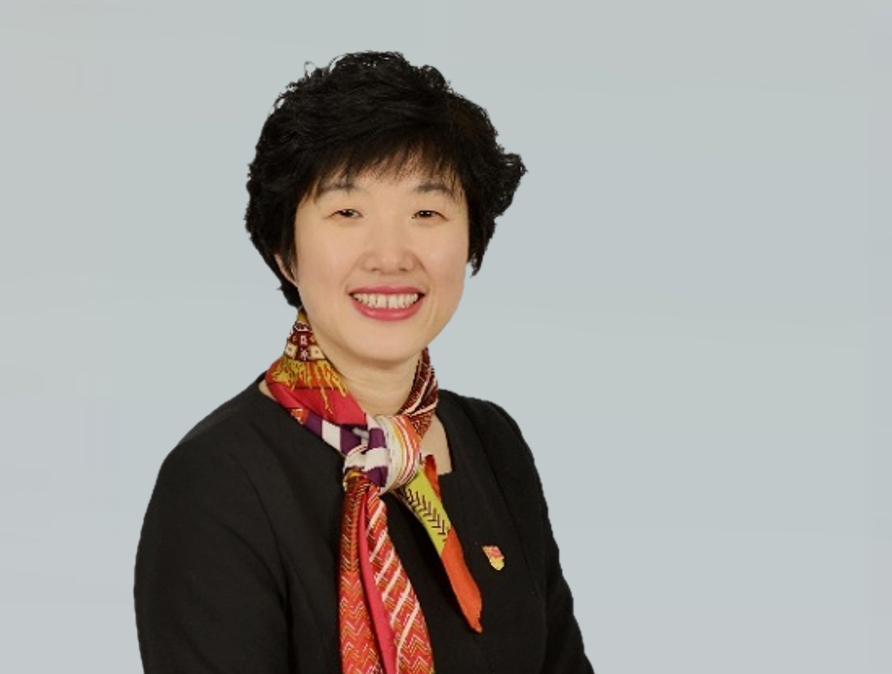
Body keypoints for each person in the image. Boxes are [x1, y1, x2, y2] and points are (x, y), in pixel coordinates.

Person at [134, 51, 593, 673]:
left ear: (470, 241)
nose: (391, 255)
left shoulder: (493, 443)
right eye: (347, 212)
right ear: (285, 252)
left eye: (426, 213)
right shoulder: (218, 480)